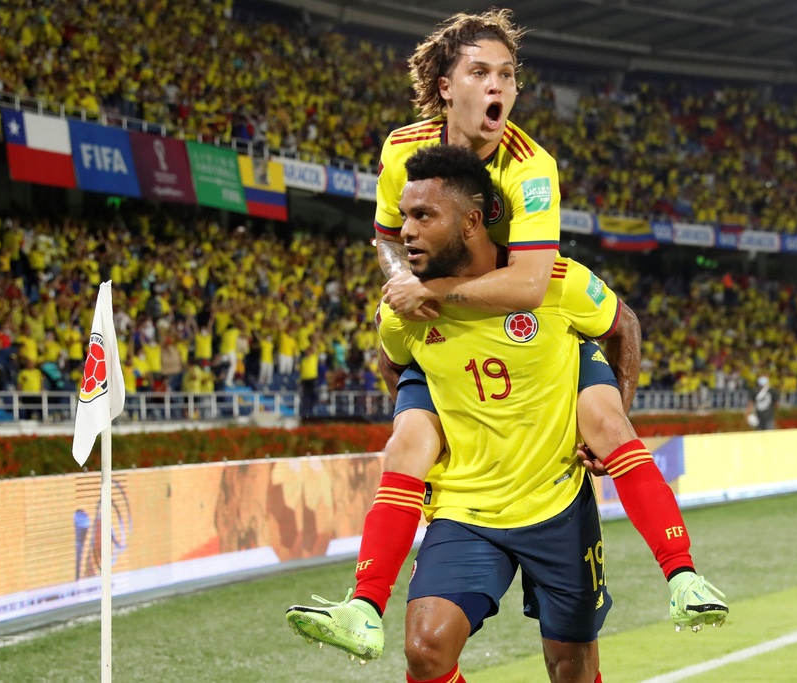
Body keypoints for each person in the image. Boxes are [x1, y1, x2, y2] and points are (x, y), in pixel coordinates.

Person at [287, 9, 725, 663]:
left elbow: (527, 284)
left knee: (606, 423)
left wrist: (433, 291)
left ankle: (683, 574)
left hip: (532, 328)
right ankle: (364, 604)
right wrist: (405, 287)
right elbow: (386, 241)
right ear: (446, 86)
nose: (497, 86)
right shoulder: (401, 151)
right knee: (408, 442)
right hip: (448, 344)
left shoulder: (531, 166)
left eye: (508, 75)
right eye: (480, 72)